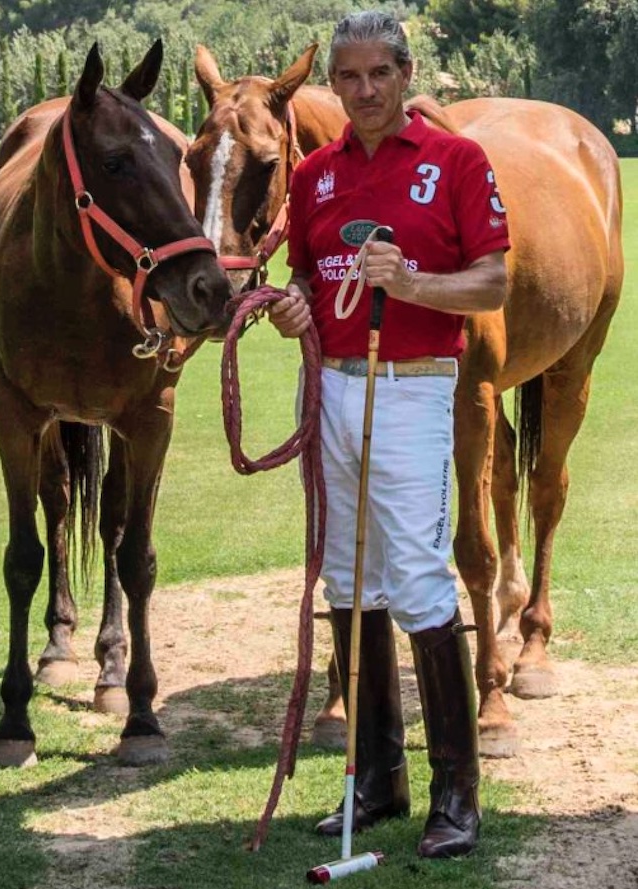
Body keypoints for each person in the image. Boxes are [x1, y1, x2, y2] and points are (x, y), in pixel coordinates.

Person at [267, 10, 509, 859]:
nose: (363, 91)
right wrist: (293, 307)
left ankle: (456, 792)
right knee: (348, 575)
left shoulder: (456, 161)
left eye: (378, 74)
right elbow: (301, 274)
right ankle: (378, 778)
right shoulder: (317, 177)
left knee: (412, 571)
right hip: (333, 386)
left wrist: (409, 281)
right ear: (333, 83)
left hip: (411, 391)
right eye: (348, 77)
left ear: (405, 74)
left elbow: (493, 284)